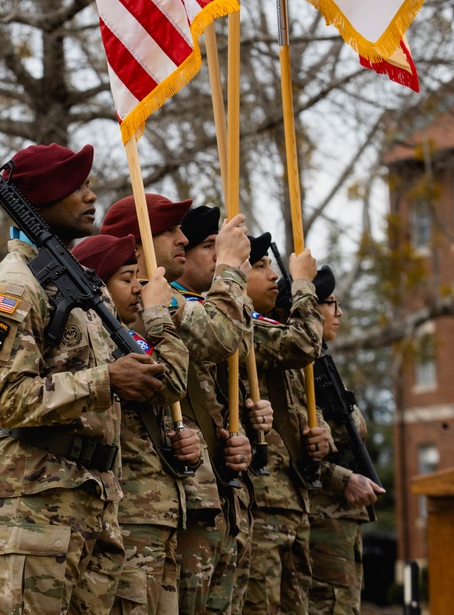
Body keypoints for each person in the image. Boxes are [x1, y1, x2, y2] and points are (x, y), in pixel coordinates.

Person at [0, 142, 169, 615]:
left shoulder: (76, 281)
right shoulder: (13, 288)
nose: (91, 195)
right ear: (40, 198)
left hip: (92, 498)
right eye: (76, 186)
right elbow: (8, 402)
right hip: (36, 503)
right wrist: (107, 380)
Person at [72, 232, 198, 615]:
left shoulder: (129, 340)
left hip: (160, 515)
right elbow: (171, 380)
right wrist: (160, 316)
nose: (139, 290)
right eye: (127, 279)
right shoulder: (102, 341)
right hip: (130, 518)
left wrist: (189, 440)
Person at [170, 205, 273, 614]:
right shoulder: (167, 306)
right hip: (188, 508)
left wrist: (245, 432)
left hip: (224, 500)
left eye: (219, 246)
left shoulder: (208, 308)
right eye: (208, 246)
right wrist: (231, 267)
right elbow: (220, 336)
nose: (217, 255)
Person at [242, 235, 333, 615]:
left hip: (291, 494)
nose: (272, 275)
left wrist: (321, 432)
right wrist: (303, 285)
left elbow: (295, 406)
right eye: (259, 266)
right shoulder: (242, 326)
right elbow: (304, 343)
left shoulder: (259, 326)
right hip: (262, 497)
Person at [300, 272, 385, 615]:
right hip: (320, 518)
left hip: (341, 520)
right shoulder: (299, 367)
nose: (339, 313)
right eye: (331, 303)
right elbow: (294, 447)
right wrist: (343, 478)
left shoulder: (321, 362)